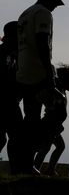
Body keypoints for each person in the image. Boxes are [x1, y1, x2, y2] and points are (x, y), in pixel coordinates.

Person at [16, 0, 64, 174]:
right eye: (55, 3)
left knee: (30, 118)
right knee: (50, 116)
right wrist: (49, 73)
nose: (55, 7)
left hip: (23, 71)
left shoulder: (25, 13)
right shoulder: (43, 13)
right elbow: (42, 43)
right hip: (38, 72)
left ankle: (25, 164)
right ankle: (28, 164)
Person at [34, 63, 69, 176]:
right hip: (50, 124)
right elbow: (45, 98)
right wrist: (51, 105)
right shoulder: (57, 90)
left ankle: (50, 169)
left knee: (60, 146)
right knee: (46, 147)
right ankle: (35, 167)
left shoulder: (62, 91)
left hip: (55, 126)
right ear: (65, 80)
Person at [0, 21, 24, 173]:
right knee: (16, 137)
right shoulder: (8, 53)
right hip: (6, 100)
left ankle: (16, 170)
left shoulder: (12, 52)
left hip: (9, 100)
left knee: (9, 138)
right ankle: (16, 171)